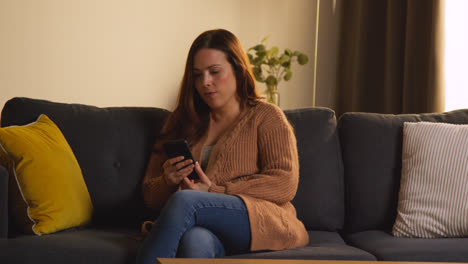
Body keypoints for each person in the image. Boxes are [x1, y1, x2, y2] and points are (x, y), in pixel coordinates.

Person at [136, 29, 309, 263]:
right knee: (195, 241)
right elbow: (149, 195)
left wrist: (216, 192)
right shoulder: (180, 121)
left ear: (238, 70)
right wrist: (168, 180)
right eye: (197, 75)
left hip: (259, 220)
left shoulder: (267, 116)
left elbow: (284, 184)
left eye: (215, 72)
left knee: (186, 201)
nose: (205, 82)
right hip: (203, 226)